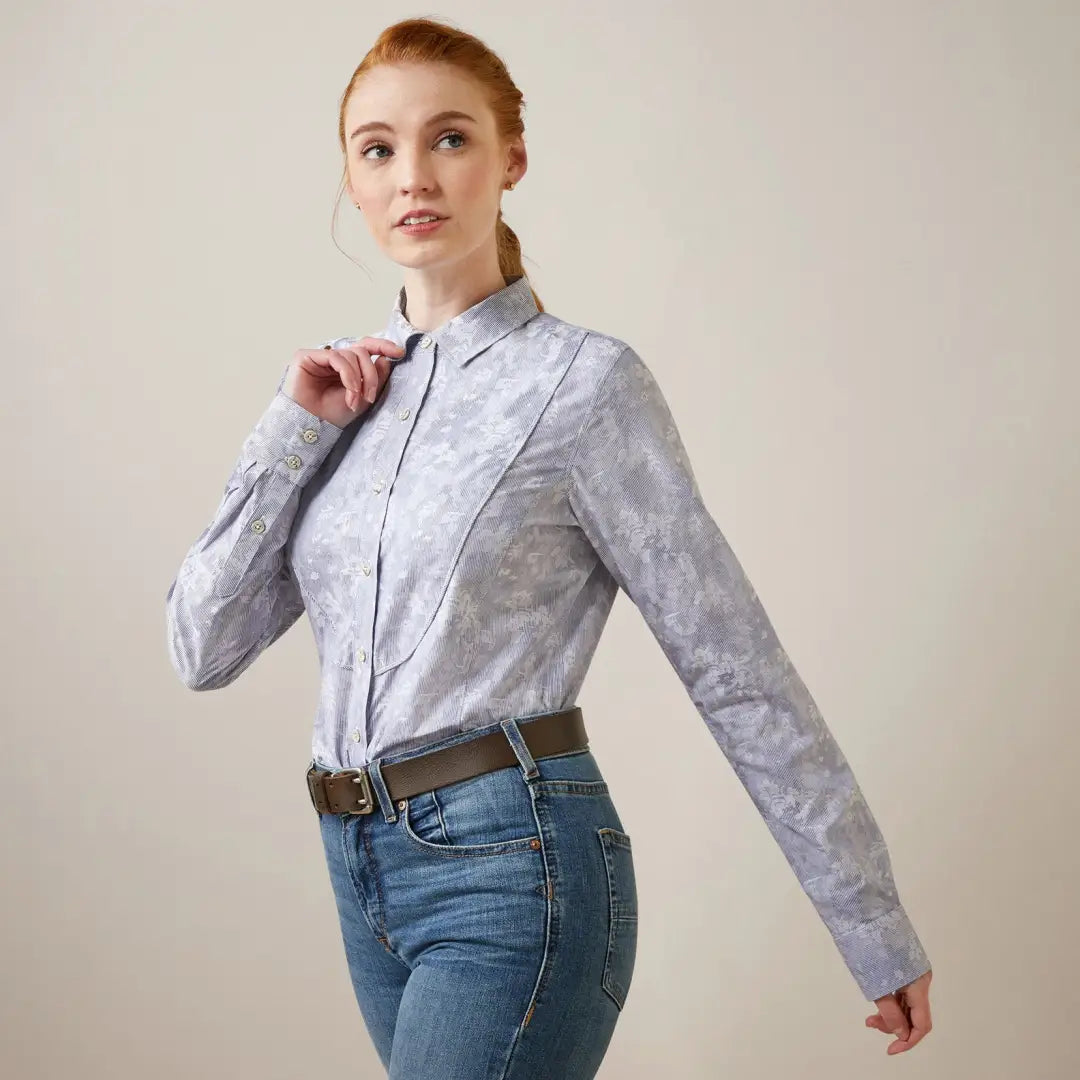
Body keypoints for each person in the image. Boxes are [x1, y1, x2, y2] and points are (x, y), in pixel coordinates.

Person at [165, 16, 933, 1077]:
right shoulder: (344, 404)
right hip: (360, 868)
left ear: (510, 158)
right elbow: (200, 647)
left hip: (513, 864)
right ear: (350, 178)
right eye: (377, 148)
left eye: (451, 138)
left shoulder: (584, 386)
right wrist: (293, 430)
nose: (412, 177)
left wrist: (869, 921)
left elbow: (733, 664)